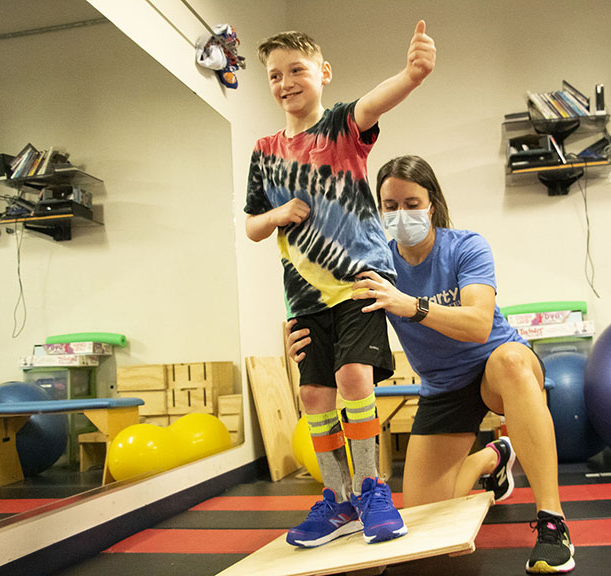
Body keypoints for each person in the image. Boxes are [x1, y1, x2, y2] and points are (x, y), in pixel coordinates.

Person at [287, 155, 575, 574]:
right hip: (443, 387)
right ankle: (490, 459)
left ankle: (553, 523)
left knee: (512, 360)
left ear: (432, 204)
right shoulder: (376, 265)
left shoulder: (466, 246)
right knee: (428, 526)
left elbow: (478, 324)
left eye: (411, 203)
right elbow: (333, 319)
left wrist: (409, 305)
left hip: (494, 366)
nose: (400, 214)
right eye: (389, 205)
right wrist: (300, 340)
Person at [245, 24, 436, 548]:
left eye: (297, 70)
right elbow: (252, 226)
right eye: (275, 75)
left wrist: (413, 75)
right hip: (304, 295)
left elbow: (375, 103)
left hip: (359, 283)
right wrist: (278, 213)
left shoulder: (339, 128)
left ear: (323, 73)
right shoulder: (264, 151)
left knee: (354, 377)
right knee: (312, 392)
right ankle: (340, 501)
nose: (286, 82)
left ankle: (374, 488)